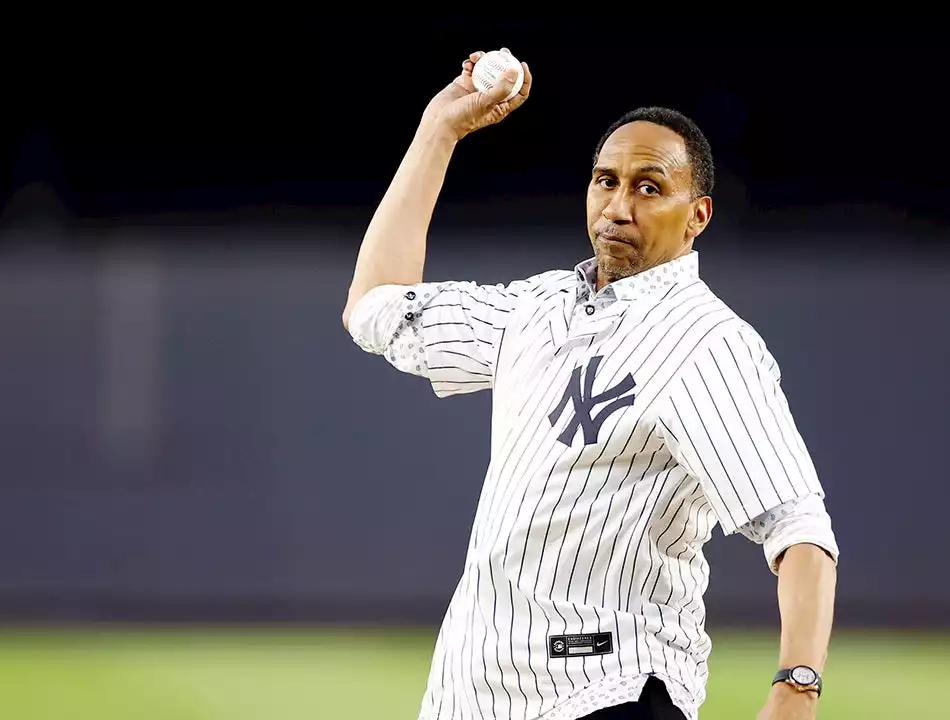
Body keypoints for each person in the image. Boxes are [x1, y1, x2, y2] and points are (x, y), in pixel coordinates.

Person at [342, 49, 839, 720]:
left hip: (611, 686)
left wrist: (795, 691)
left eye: (649, 186)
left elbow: (798, 528)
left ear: (698, 216)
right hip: (478, 692)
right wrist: (440, 129)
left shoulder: (705, 342)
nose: (618, 203)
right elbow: (377, 308)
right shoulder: (538, 308)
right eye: (606, 181)